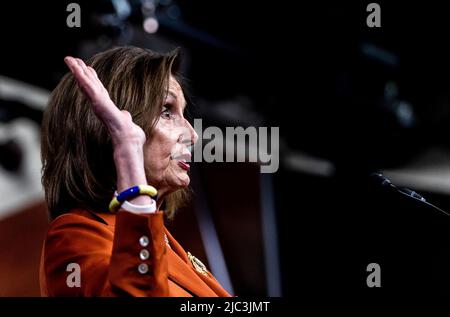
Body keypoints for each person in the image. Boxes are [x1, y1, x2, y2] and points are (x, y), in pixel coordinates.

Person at [39, 46, 232, 297]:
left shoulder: (165, 242)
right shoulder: (73, 237)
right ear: (107, 127)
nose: (192, 135)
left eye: (183, 114)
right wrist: (128, 149)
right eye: (166, 111)